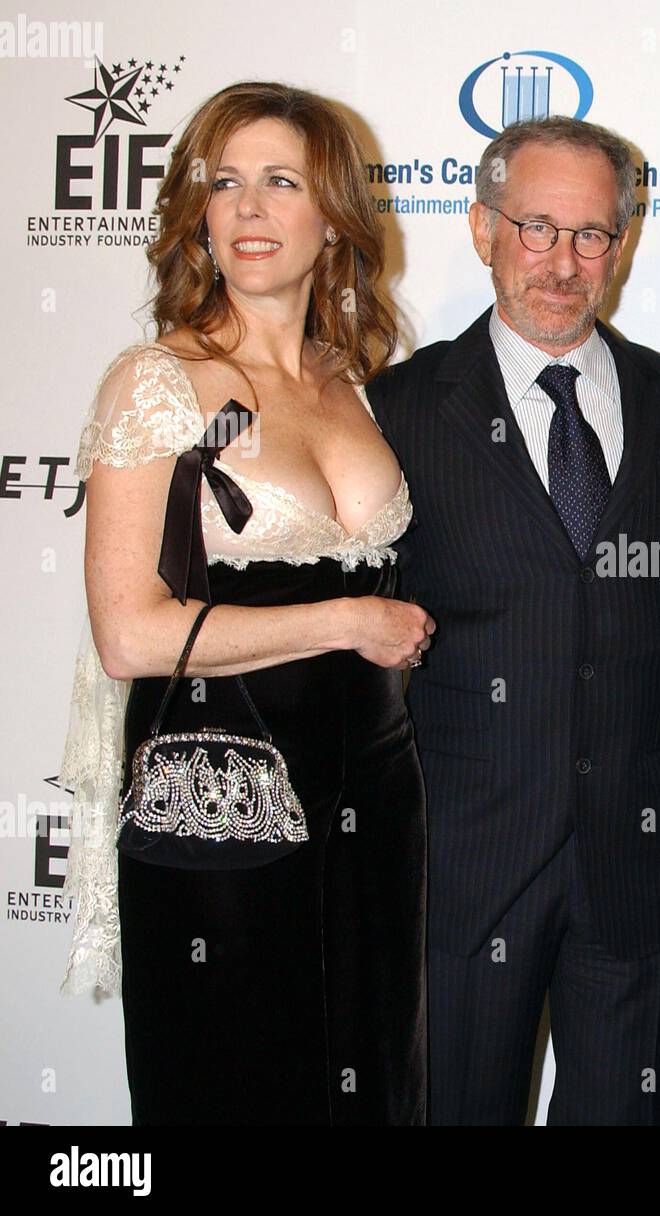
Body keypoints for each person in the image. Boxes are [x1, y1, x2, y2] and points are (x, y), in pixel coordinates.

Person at [60, 82, 433, 1125]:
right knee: (237, 1067)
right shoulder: (157, 382)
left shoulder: (347, 378)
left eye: (282, 182)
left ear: (334, 218)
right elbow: (129, 632)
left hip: (373, 788)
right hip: (229, 787)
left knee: (370, 1062)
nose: (251, 210)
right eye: (226, 184)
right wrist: (345, 622)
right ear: (199, 213)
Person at [366, 116, 660, 1126]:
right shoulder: (397, 410)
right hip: (464, 873)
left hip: (635, 870)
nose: (563, 261)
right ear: (481, 228)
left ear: (622, 243)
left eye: (591, 233)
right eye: (536, 227)